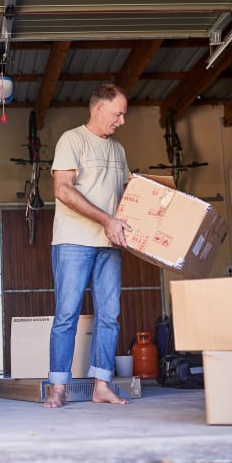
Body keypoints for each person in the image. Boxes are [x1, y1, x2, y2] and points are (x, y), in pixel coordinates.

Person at [44, 82, 133, 408]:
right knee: (66, 315)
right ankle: (58, 388)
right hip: (73, 242)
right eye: (118, 113)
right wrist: (106, 220)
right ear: (100, 108)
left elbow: (126, 197)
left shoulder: (118, 151)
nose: (121, 121)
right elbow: (63, 190)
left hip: (109, 245)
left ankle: (101, 385)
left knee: (109, 315)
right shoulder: (72, 140)